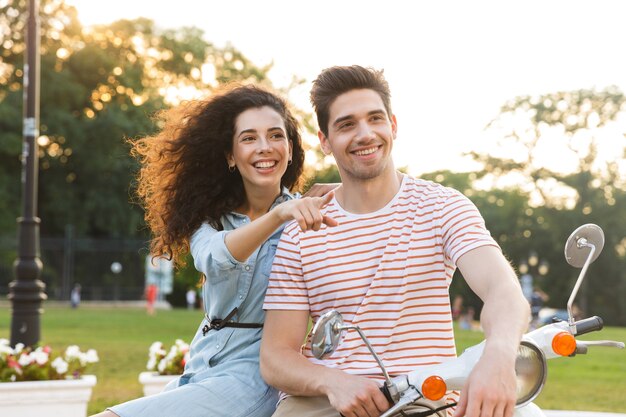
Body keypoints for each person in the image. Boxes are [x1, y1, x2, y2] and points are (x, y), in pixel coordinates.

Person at [260, 65, 530, 417]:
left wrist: (498, 355)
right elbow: (275, 356)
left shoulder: (443, 207)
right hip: (326, 404)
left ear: (394, 126)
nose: (365, 134)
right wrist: (334, 382)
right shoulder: (302, 229)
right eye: (346, 125)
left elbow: (503, 289)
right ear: (325, 141)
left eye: (375, 119)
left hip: (425, 398)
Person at [92, 84, 336, 417]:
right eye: (249, 138)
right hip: (202, 362)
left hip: (255, 377)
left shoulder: (307, 220)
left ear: (291, 149)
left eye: (276, 136)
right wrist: (277, 215)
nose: (265, 148)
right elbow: (216, 259)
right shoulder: (209, 219)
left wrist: (343, 188)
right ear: (230, 156)